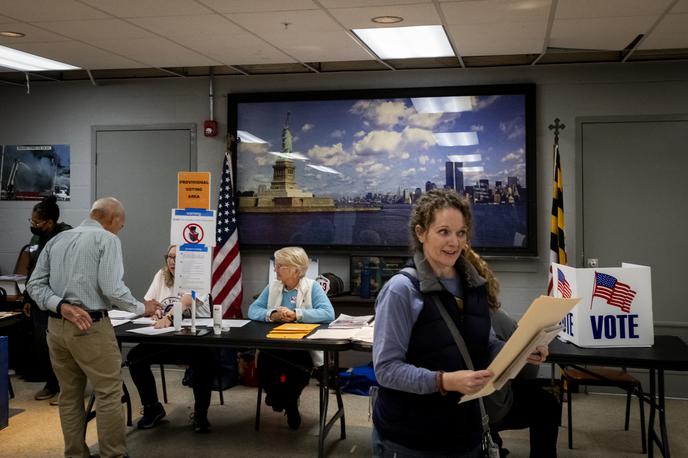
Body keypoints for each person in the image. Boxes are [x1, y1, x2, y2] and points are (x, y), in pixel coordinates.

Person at [372, 188, 549, 457]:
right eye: (443, 231)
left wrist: (521, 351)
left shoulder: (474, 284)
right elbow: (386, 370)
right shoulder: (401, 290)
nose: (454, 242)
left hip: (467, 432)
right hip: (412, 439)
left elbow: (486, 343)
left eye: (461, 233)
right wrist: (444, 381)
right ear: (421, 233)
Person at [27, 197, 161, 458]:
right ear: (113, 220)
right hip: (90, 327)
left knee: (69, 395)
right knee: (108, 392)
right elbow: (112, 289)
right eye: (121, 225)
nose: (120, 230)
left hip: (56, 329)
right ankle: (114, 454)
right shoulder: (108, 240)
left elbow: (34, 285)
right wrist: (141, 307)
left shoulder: (57, 239)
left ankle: (75, 454)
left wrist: (60, 306)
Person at [126, 245, 216, 433]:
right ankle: (152, 408)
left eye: (177, 257)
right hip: (164, 338)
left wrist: (168, 318)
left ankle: (201, 414)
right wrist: (155, 311)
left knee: (205, 360)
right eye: (169, 256)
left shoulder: (197, 276)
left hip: (194, 339)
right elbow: (149, 303)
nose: (172, 261)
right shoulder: (161, 275)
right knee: (135, 358)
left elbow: (185, 303)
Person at [247, 246, 335, 430]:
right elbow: (252, 310)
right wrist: (272, 314)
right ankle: (282, 400)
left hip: (300, 346)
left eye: (280, 266)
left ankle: (290, 404)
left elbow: (328, 313)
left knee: (296, 371)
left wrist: (297, 315)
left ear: (295, 269)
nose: (275, 269)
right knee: (264, 366)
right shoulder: (273, 287)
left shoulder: (312, 287)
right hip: (274, 344)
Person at [488, 307, 561, 458]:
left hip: (445, 410)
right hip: (490, 410)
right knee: (548, 404)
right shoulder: (499, 317)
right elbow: (528, 374)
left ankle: (492, 440)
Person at [22, 195, 72, 403]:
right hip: (38, 300)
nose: (33, 225)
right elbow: (32, 269)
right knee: (42, 346)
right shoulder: (36, 238)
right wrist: (27, 297)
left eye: (36, 222)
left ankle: (68, 389)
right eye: (31, 221)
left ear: (50, 222)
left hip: (59, 300)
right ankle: (51, 384)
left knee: (63, 348)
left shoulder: (67, 236)